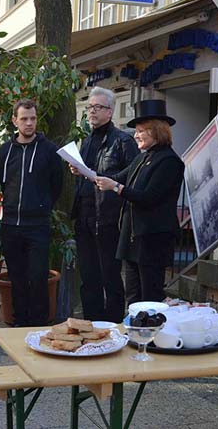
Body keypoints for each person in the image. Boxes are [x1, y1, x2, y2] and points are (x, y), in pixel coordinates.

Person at [95, 99, 185, 305]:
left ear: (157, 131)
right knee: (133, 297)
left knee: (150, 298)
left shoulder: (169, 161)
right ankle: (134, 335)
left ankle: (151, 337)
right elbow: (116, 176)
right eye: (136, 130)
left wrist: (117, 188)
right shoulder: (142, 157)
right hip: (133, 238)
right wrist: (86, 173)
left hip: (152, 240)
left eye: (141, 131)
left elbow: (149, 197)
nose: (136, 135)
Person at [69, 87, 138, 323]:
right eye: (89, 107)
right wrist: (77, 170)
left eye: (97, 107)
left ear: (109, 111)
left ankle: (113, 326)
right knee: (88, 277)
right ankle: (91, 324)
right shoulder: (87, 141)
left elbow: (133, 177)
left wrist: (106, 179)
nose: (91, 112)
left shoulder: (123, 141)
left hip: (109, 218)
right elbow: (88, 172)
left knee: (110, 276)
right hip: (85, 215)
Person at [0, 99, 63, 326]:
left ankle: (39, 324)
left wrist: (42, 206)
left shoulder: (50, 150)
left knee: (38, 277)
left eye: (33, 118)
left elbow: (57, 185)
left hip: (38, 225)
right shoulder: (5, 150)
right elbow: (3, 182)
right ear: (15, 120)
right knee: (16, 277)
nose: (29, 123)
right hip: (11, 225)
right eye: (24, 118)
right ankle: (19, 323)